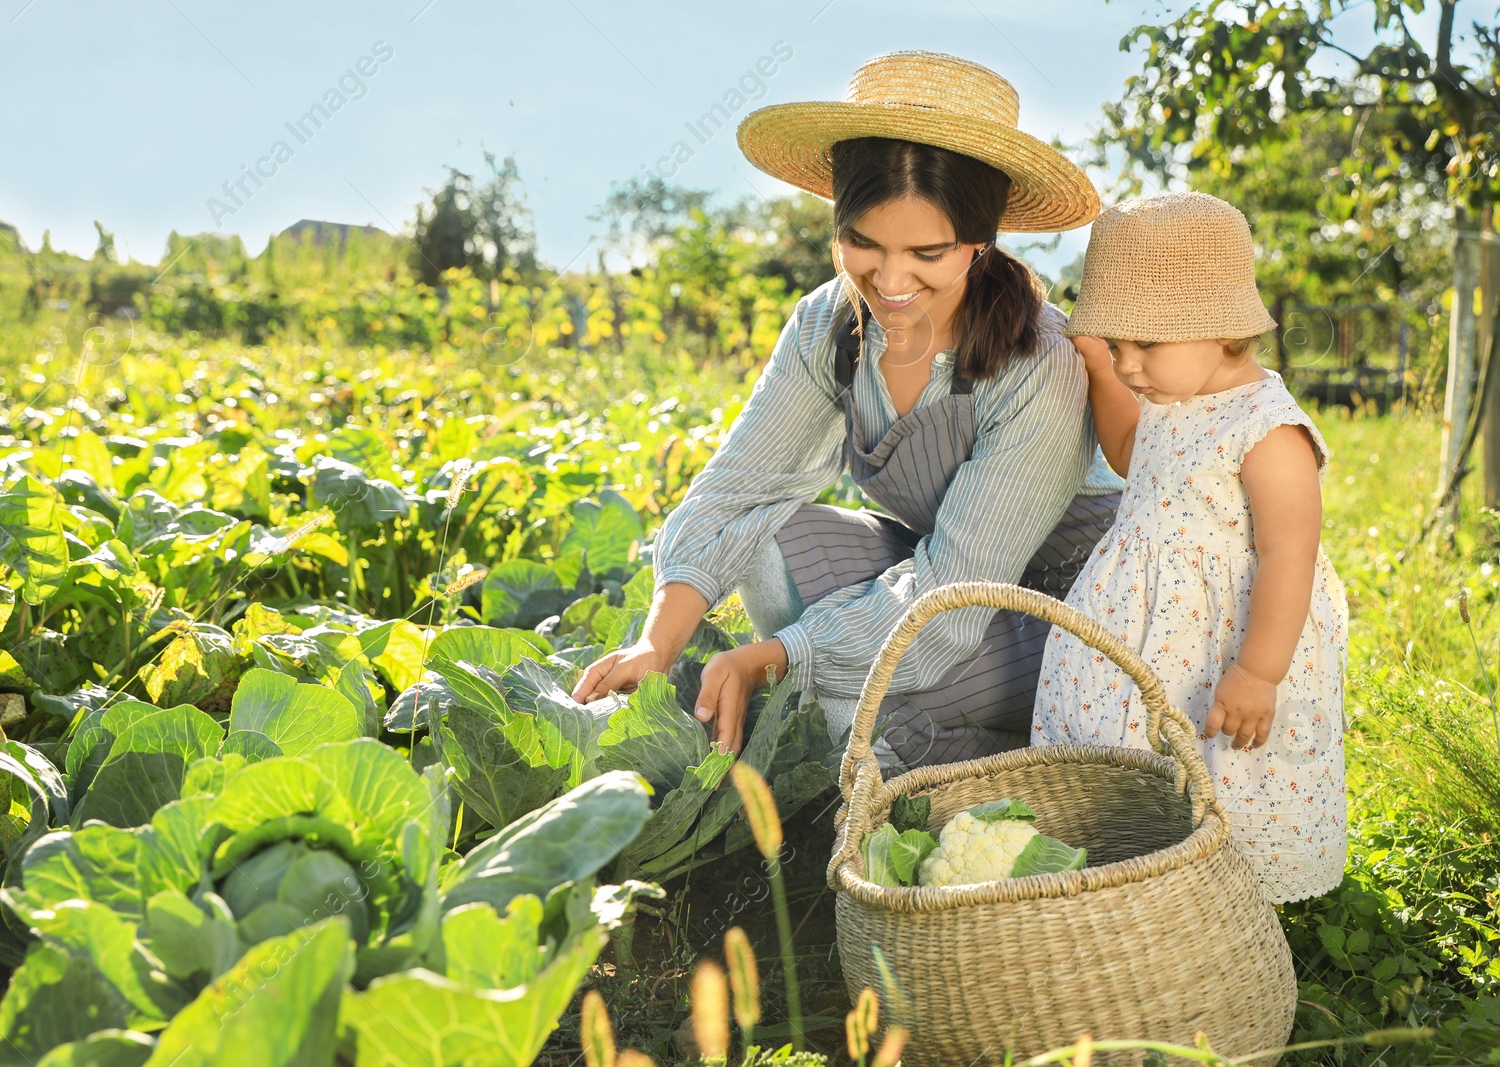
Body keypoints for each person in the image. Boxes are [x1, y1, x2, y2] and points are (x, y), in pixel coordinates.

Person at [571, 50, 1123, 771]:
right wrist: (657, 642)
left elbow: (954, 600)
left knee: (852, 697)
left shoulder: (1036, 363)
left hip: (1067, 608)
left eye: (927, 252)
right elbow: (738, 491)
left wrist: (775, 656)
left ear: (981, 244)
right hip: (940, 574)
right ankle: (860, 718)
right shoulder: (828, 325)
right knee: (767, 538)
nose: (889, 281)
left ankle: (978, 757)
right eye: (862, 243)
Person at [1031, 191, 1348, 905]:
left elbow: (1290, 553)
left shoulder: (1269, 428)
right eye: (1118, 345)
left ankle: (1225, 894)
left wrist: (1260, 671)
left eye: (1145, 344)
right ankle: (1132, 862)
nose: (1130, 364)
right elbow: (1124, 449)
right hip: (1139, 626)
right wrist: (1096, 364)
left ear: (1222, 329)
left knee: (1224, 765)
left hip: (1226, 643)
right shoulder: (1167, 401)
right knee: (1127, 743)